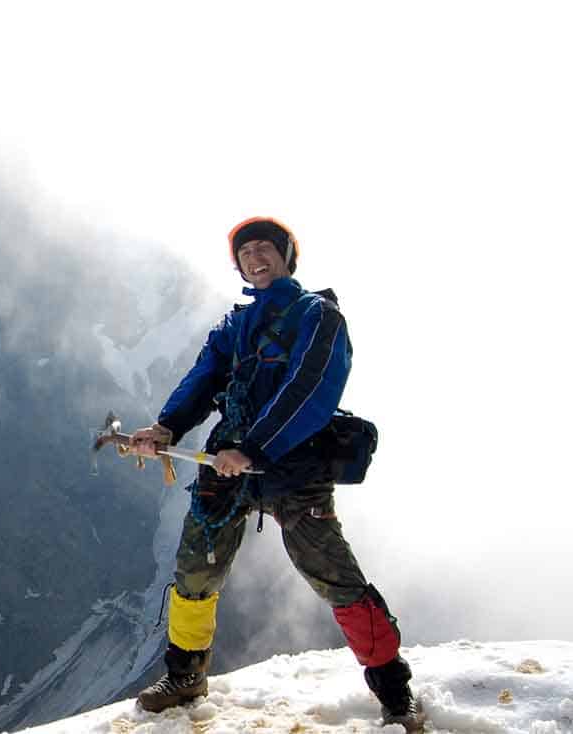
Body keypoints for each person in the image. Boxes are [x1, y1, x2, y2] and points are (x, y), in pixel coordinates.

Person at [129, 216, 423, 731]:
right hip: (231, 463)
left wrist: (254, 446)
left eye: (264, 248)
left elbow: (312, 388)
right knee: (195, 568)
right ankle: (185, 677)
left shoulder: (318, 316)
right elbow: (203, 378)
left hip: (292, 465)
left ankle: (396, 692)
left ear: (287, 256)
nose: (254, 258)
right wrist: (165, 427)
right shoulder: (235, 326)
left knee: (336, 578)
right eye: (245, 253)